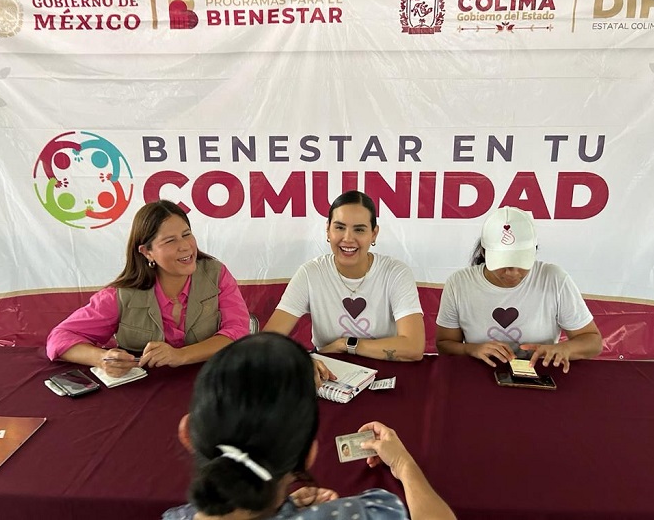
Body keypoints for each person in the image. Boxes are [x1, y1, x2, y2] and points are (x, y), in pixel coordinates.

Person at [162, 332, 456, 520]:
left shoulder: (173, 517)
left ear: (187, 433)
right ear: (308, 455)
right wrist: (404, 465)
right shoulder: (366, 514)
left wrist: (284, 506)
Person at [46, 199, 250, 377]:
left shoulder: (216, 274)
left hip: (211, 383)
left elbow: (238, 331)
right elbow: (59, 338)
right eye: (170, 240)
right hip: (142, 395)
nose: (185, 246)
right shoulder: (121, 295)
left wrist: (181, 355)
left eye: (186, 234)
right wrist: (102, 358)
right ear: (147, 252)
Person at [263, 191, 425, 363]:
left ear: (374, 234)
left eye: (359, 230)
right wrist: (306, 361)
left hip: (386, 369)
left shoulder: (395, 272)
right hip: (329, 371)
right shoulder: (311, 273)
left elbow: (413, 347)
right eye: (339, 227)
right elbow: (267, 343)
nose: (348, 238)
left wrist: (345, 345)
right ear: (328, 230)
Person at [436, 206, 602, 372]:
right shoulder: (459, 283)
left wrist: (565, 349)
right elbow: (444, 344)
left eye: (521, 264)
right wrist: (471, 349)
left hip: (541, 373)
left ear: (534, 252)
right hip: (481, 374)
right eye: (503, 265)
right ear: (484, 253)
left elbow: (593, 342)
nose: (512, 273)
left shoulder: (554, 279)